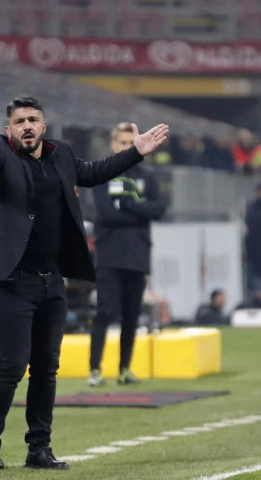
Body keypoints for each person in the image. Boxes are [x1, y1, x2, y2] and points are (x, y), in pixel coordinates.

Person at [0, 96, 168, 471]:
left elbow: (95, 172)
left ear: (43, 126)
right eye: (19, 121)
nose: (26, 126)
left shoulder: (62, 155)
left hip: (52, 278)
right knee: (12, 366)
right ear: (8, 129)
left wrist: (135, 152)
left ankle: (39, 448)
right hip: (12, 279)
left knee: (46, 368)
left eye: (33, 119)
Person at [88, 122, 167, 388]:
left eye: (129, 142)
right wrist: (140, 211)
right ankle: (95, 370)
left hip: (138, 254)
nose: (126, 147)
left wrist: (128, 205)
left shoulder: (148, 176)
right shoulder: (102, 173)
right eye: (121, 143)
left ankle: (124, 369)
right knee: (105, 311)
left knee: (132, 314)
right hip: (109, 254)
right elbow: (106, 214)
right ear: (113, 145)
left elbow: (159, 209)